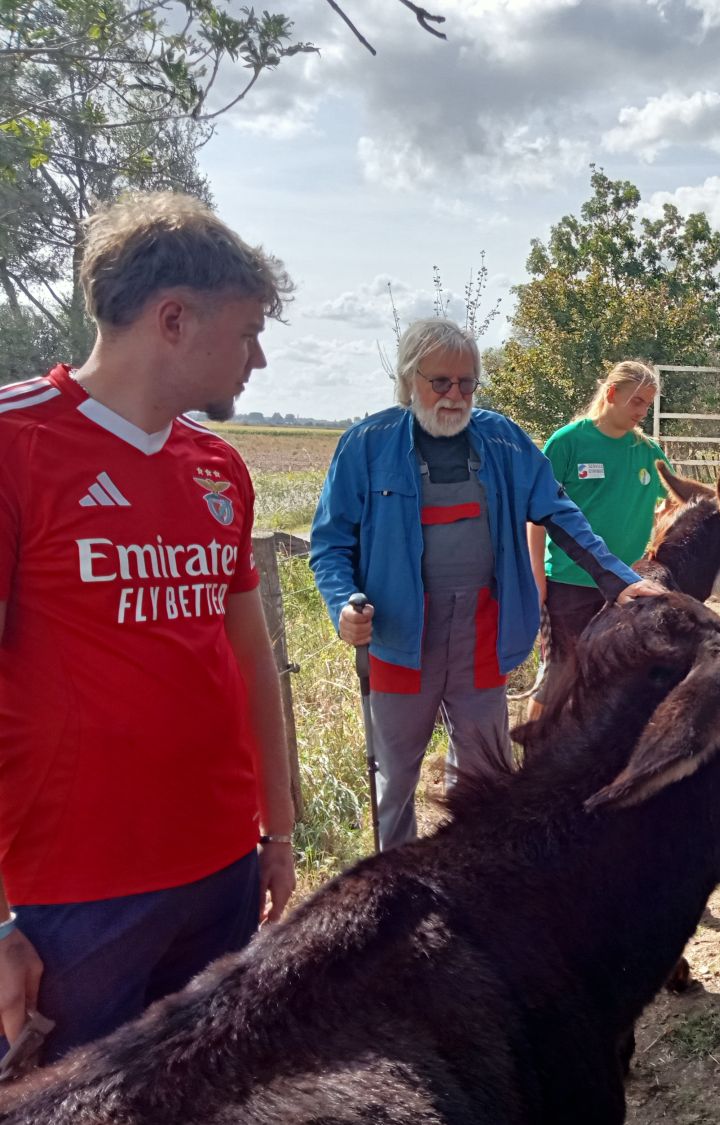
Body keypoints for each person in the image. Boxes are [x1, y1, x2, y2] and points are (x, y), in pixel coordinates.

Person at [0, 191, 297, 1064]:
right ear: (173, 319)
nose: (260, 359)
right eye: (246, 334)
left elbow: (252, 661)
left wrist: (275, 835)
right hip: (70, 903)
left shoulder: (218, 468)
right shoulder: (15, 445)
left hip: (219, 878)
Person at [310, 322, 660, 850]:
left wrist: (619, 580)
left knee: (482, 773)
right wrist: (343, 604)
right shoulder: (366, 445)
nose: (455, 396)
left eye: (467, 384)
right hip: (400, 638)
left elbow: (560, 512)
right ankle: (390, 896)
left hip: (483, 632)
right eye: (441, 383)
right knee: (396, 779)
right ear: (409, 380)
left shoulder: (502, 440)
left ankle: (467, 882)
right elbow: (331, 543)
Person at [527, 361, 671, 712]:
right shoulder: (567, 442)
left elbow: (670, 509)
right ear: (611, 393)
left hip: (628, 588)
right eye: (637, 401)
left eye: (648, 405)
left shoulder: (649, 452)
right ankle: (534, 758)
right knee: (559, 676)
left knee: (616, 675)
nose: (643, 411)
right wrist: (537, 575)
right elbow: (536, 515)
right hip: (569, 581)